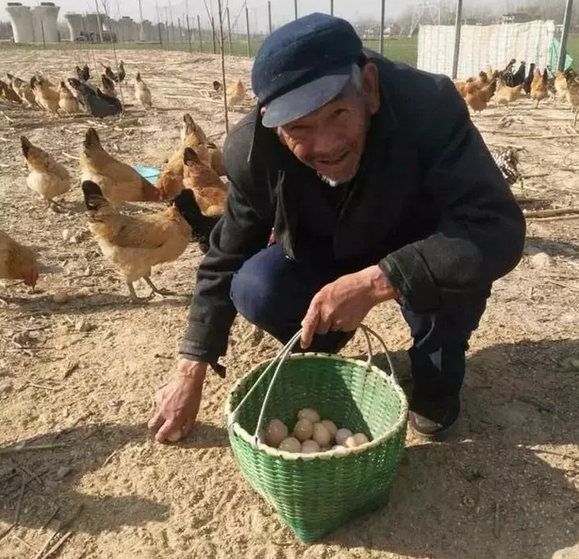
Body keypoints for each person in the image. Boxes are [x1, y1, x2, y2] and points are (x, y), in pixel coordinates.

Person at [148, 13, 525, 443]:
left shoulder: (429, 108)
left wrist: (381, 280)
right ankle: (327, 346)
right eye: (300, 128)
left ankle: (434, 355)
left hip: (421, 245)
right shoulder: (253, 153)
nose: (326, 144)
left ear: (369, 87)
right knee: (257, 286)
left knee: (456, 282)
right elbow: (225, 258)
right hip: (330, 248)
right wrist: (190, 369)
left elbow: (495, 225)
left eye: (339, 113)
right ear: (273, 124)